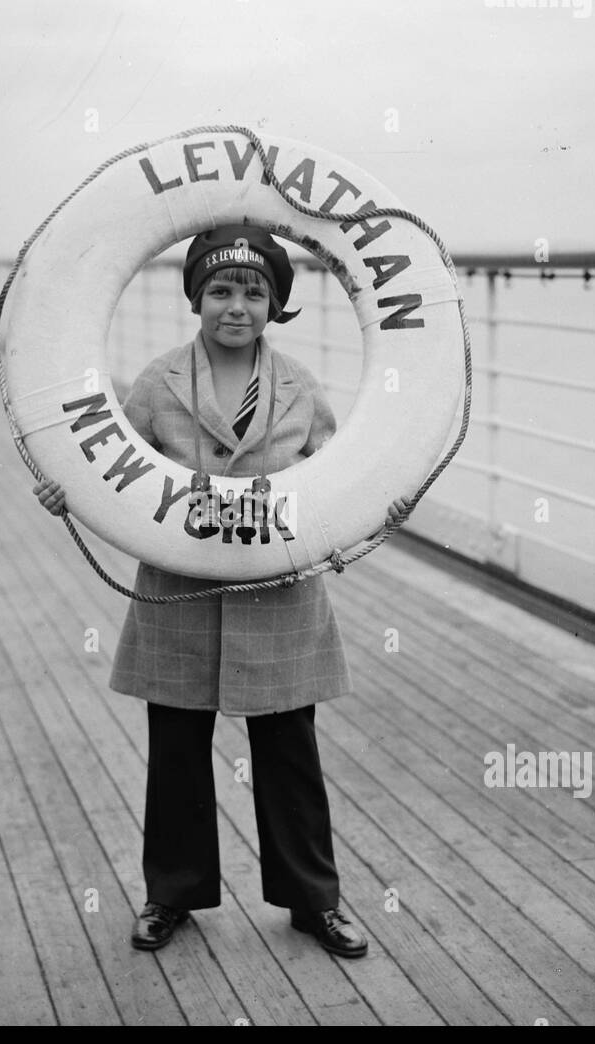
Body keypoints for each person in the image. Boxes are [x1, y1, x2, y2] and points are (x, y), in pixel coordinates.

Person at [35, 225, 408, 959]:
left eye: (253, 292)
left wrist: (377, 516)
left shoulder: (301, 388)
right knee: (175, 750)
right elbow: (106, 468)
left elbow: (343, 479)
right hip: (181, 593)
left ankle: (314, 902)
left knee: (289, 753)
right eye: (220, 290)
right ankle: (170, 895)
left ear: (273, 304)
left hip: (280, 597)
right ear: (196, 298)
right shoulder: (156, 383)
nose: (235, 305)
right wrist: (65, 492)